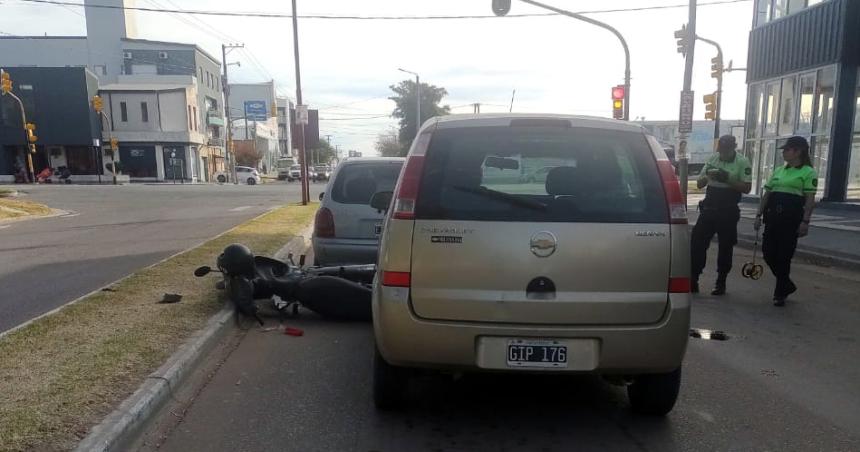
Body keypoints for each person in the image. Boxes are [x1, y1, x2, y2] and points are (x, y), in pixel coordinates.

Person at [754, 136, 817, 307]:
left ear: (798, 151)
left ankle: (780, 292)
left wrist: (806, 221)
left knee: (784, 257)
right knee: (768, 253)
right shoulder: (779, 171)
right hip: (773, 218)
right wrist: (758, 215)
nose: (784, 153)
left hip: (791, 221)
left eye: (787, 150)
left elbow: (810, 199)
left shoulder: (808, 172)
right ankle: (787, 283)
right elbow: (767, 194)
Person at [690, 135, 753, 295]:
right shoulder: (713, 159)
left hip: (728, 208)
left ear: (733, 148)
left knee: (726, 246)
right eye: (721, 150)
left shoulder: (742, 162)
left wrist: (727, 179)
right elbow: (699, 184)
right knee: (697, 243)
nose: (722, 153)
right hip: (709, 207)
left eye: (725, 150)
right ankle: (693, 278)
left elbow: (746, 188)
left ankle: (721, 281)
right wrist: (709, 176)